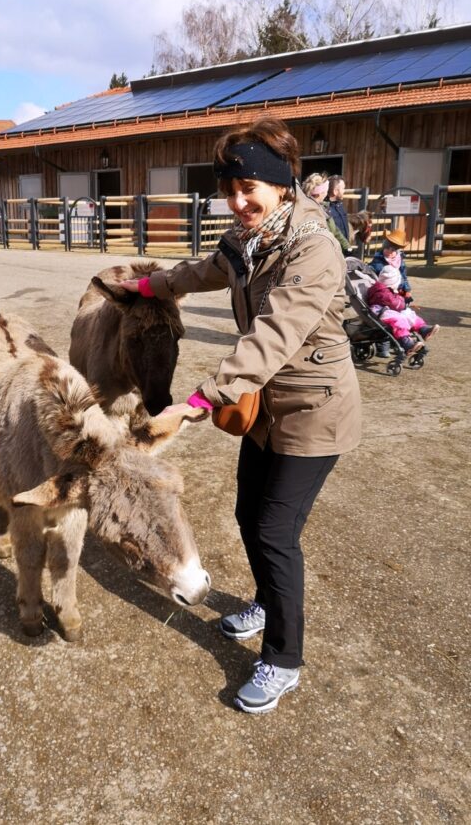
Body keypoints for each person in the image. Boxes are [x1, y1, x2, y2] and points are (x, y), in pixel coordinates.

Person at [118, 117, 361, 714]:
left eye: (248, 187)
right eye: (228, 190)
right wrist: (148, 287)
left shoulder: (313, 247)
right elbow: (202, 272)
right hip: (262, 410)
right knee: (248, 513)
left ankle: (283, 658)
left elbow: (274, 335)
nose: (237, 201)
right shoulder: (243, 241)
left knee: (277, 533)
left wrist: (197, 402)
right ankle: (261, 602)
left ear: (282, 184)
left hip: (313, 410)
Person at [366, 265, 439, 355]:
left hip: (387, 310)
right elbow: (396, 304)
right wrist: (404, 301)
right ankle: (405, 342)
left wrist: (402, 299)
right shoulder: (383, 292)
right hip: (380, 312)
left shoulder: (385, 289)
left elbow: (394, 303)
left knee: (408, 313)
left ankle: (423, 329)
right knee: (400, 319)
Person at [368, 229, 412, 357]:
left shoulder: (400, 261)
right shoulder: (378, 260)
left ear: (398, 250)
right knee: (387, 317)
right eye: (386, 247)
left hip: (398, 292)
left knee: (402, 315)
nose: (388, 251)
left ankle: (401, 338)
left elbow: (404, 276)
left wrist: (407, 290)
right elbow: (371, 273)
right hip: (383, 292)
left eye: (392, 249)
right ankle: (384, 345)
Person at [301, 172, 354, 254]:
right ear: (320, 193)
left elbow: (335, 230)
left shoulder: (325, 209)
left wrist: (346, 246)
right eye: (325, 190)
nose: (326, 193)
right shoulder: (311, 212)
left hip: (331, 252)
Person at [326, 175, 350, 250]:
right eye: (343, 188)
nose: (344, 191)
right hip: (334, 249)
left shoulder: (340, 206)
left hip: (343, 248)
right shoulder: (326, 210)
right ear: (335, 191)